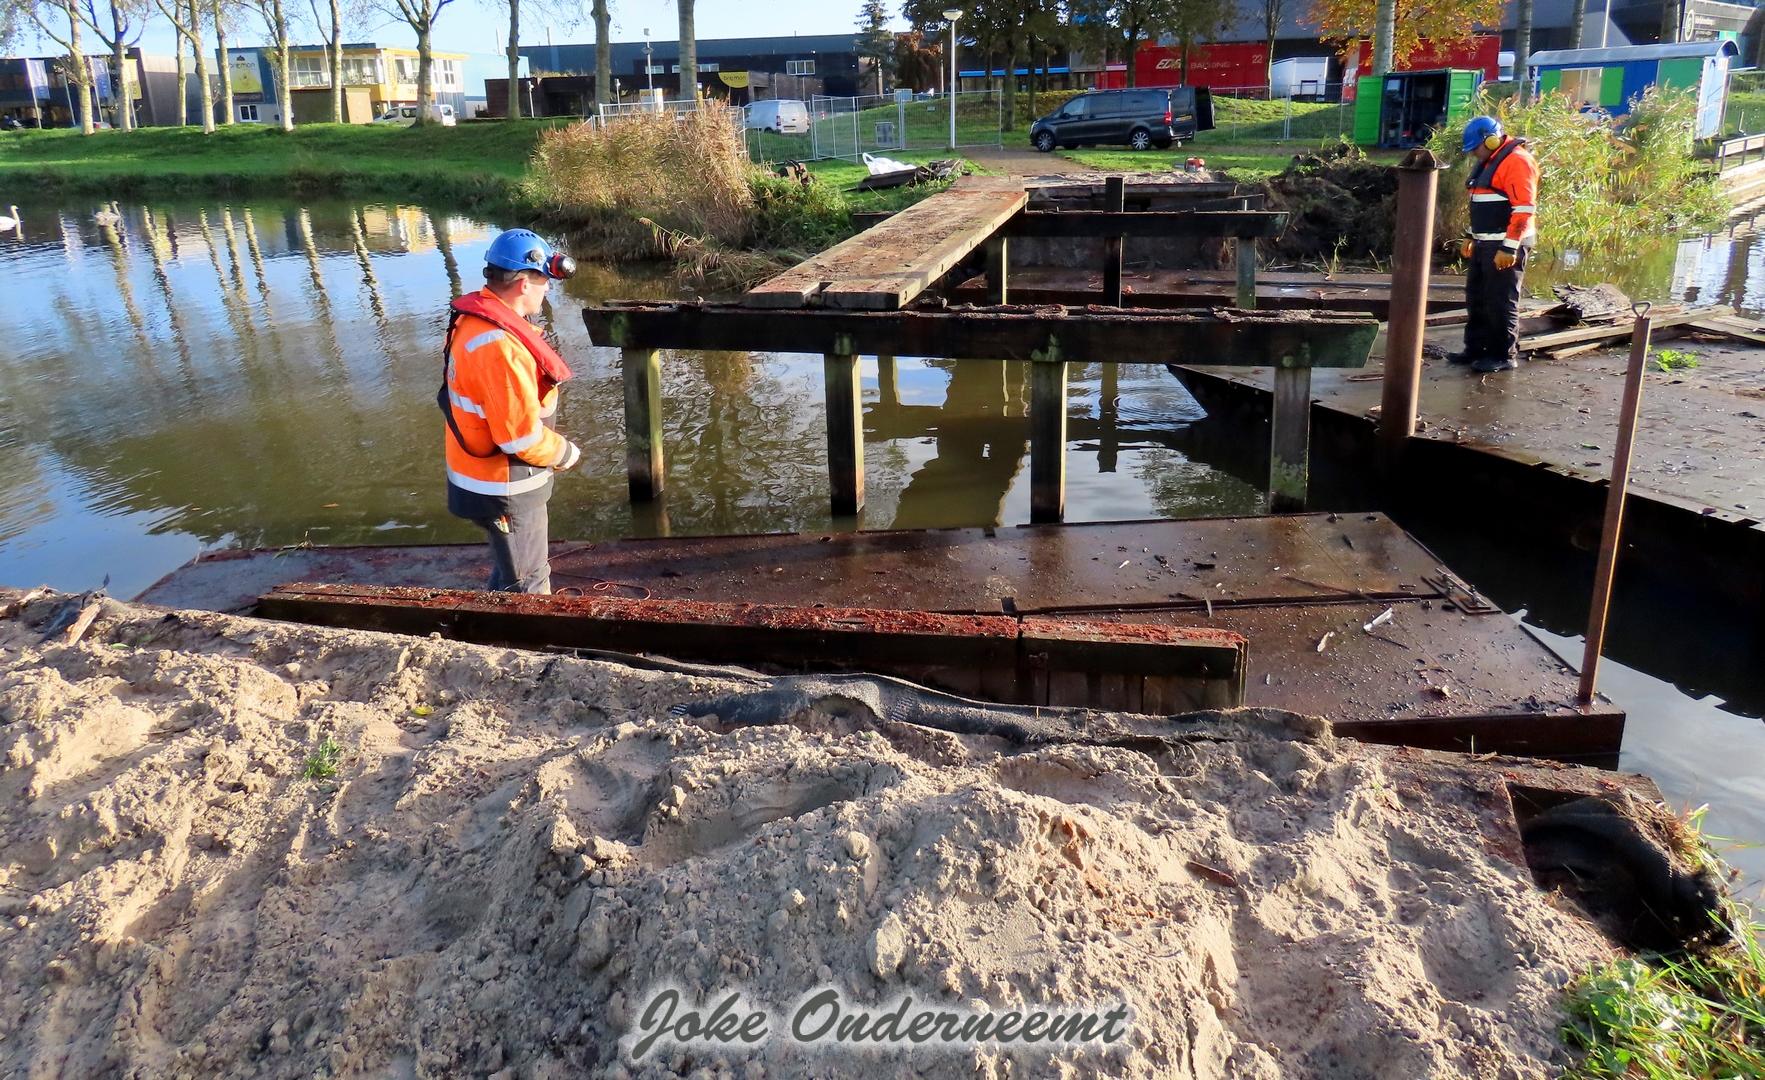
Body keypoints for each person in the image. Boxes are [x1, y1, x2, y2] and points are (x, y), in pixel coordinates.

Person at [440, 229, 583, 593]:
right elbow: (519, 437)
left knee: (510, 572)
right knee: (529, 583)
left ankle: (485, 628)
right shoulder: (500, 346)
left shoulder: (473, 322)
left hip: (478, 475)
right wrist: (565, 452)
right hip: (505, 484)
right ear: (522, 284)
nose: (548, 288)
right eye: (543, 281)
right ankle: (530, 644)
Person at [1451, 115, 1539, 374]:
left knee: (1501, 300)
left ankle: (1503, 354)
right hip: (1484, 242)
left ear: (1491, 140)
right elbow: (1482, 206)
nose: (1474, 155)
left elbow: (1523, 210)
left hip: (1505, 245)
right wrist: (1470, 235)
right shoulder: (1490, 162)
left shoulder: (1517, 162)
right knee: (1477, 297)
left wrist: (1509, 247)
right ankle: (1475, 349)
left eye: (1475, 149)